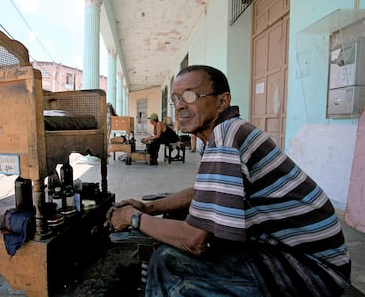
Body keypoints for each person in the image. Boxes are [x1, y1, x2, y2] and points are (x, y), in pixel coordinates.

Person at [106, 65, 351, 296]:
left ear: (222, 101)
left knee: (168, 262)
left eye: (190, 96)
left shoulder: (226, 136)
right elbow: (204, 193)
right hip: (300, 256)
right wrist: (150, 207)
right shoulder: (224, 133)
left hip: (312, 271)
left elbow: (195, 241)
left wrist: (133, 218)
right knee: (184, 226)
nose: (180, 106)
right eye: (175, 99)